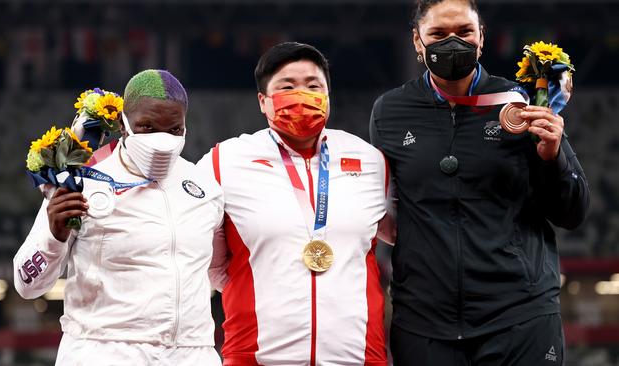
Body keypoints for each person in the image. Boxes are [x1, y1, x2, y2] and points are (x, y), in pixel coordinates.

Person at [369, 1, 590, 365]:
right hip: (425, 323)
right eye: (438, 34)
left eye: (464, 32)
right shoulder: (390, 111)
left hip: (519, 316)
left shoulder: (520, 104)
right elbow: (388, 207)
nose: (452, 43)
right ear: (416, 41)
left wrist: (554, 158)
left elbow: (572, 211)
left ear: (481, 38)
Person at [198, 42, 394, 365]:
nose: (302, 95)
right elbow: (208, 262)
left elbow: (402, 234)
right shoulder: (224, 161)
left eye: (313, 86)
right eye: (287, 87)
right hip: (256, 357)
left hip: (358, 357)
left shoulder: (371, 161)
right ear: (263, 101)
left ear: (328, 96)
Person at [13, 69, 224, 365]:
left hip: (192, 353)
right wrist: (54, 236)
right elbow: (26, 284)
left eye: (174, 129)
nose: (162, 140)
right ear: (123, 125)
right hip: (104, 351)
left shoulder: (205, 188)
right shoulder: (82, 181)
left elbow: (223, 275)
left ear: (185, 126)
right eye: (147, 127)